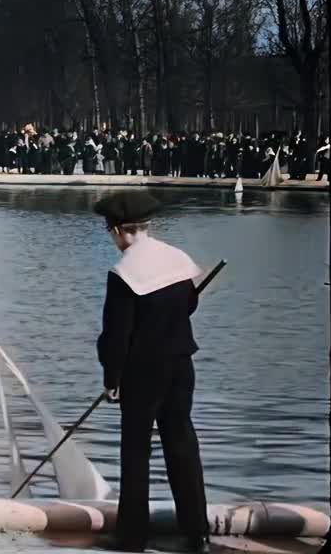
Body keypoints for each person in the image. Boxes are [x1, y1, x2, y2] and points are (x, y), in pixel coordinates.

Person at [93, 191, 209, 554]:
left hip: (142, 371)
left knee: (136, 451)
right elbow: (189, 304)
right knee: (182, 445)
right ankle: (196, 532)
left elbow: (116, 335)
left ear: (118, 230)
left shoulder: (124, 272)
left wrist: (112, 378)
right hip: (181, 364)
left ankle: (132, 538)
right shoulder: (177, 258)